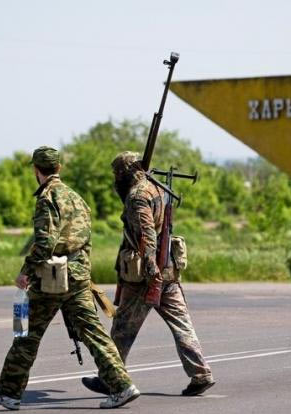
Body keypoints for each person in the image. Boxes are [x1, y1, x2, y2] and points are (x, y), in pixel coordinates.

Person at [0, 146, 139, 410]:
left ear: (36, 170)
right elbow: (87, 241)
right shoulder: (77, 198)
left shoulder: (48, 198)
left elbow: (44, 243)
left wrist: (25, 272)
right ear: (59, 168)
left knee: (27, 334)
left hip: (52, 279)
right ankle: (123, 385)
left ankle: (9, 393)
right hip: (78, 277)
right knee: (94, 333)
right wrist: (82, 272)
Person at [82, 151, 215, 397]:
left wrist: (150, 266)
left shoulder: (137, 195)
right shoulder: (157, 188)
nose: (115, 179)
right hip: (168, 271)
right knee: (182, 325)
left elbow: (147, 233)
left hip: (146, 274)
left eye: (117, 174)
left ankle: (110, 378)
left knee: (122, 329)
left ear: (124, 173)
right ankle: (201, 374)